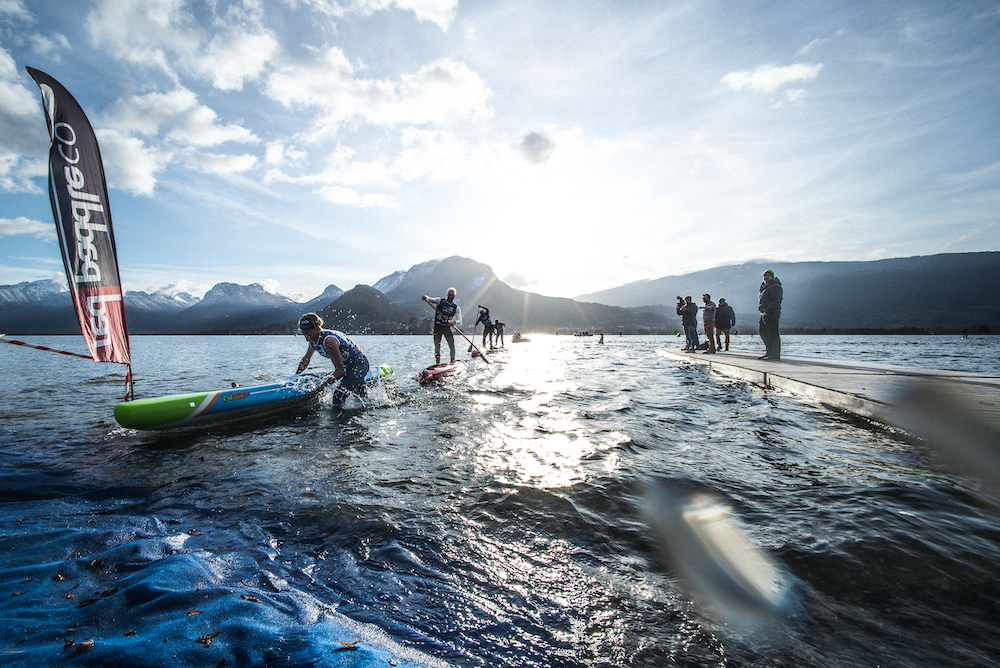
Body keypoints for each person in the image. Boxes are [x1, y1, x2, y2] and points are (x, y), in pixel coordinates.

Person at [295, 312, 370, 409]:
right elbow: (306, 360)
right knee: (362, 398)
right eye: (302, 329)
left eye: (308, 329)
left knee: (338, 397)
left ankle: (339, 423)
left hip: (359, 364)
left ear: (317, 328)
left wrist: (318, 390)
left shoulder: (329, 341)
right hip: (350, 366)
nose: (305, 332)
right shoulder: (312, 340)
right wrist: (295, 377)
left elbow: (340, 371)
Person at [422, 288, 462, 364]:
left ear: (455, 296)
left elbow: (460, 321)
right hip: (438, 328)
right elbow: (429, 299)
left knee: (452, 345)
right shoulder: (439, 301)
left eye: (452, 296)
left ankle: (452, 361)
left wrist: (454, 322)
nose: (450, 297)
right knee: (437, 346)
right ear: (447, 295)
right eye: (449, 295)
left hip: (447, 328)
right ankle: (437, 363)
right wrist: (425, 297)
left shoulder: (456, 308)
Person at [758, 270, 783, 360]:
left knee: (773, 334)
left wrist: (768, 310)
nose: (766, 277)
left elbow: (777, 300)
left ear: (772, 277)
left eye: (768, 275)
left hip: (772, 313)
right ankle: (769, 352)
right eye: (764, 276)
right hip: (763, 313)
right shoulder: (764, 287)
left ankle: (775, 355)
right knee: (763, 333)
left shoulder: (775, 286)